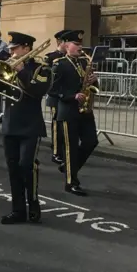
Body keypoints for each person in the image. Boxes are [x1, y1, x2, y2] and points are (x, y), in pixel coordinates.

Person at [0, 32, 52, 224]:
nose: (11, 53)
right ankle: (18, 210)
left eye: (15, 49)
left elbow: (39, 91)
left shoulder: (41, 68)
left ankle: (33, 202)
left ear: (26, 48)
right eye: (10, 49)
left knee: (26, 165)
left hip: (30, 125)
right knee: (13, 168)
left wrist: (21, 71)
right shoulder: (8, 67)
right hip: (10, 123)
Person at [51, 29, 99, 196]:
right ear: (66, 45)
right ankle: (71, 182)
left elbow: (95, 87)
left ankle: (70, 167)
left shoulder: (85, 63)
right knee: (70, 147)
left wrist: (95, 81)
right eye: (76, 44)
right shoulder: (59, 64)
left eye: (80, 44)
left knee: (91, 141)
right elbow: (53, 89)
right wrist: (72, 96)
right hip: (68, 110)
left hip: (85, 111)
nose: (80, 47)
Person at [46, 30, 69, 163]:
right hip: (55, 97)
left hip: (68, 97)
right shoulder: (51, 57)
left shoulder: (73, 58)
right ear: (61, 42)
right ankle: (56, 152)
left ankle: (63, 149)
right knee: (56, 124)